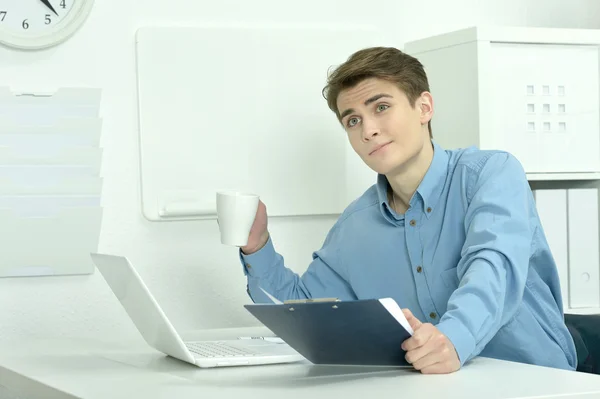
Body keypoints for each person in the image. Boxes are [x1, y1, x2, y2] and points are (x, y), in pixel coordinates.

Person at [236, 46, 578, 374]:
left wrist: (452, 340)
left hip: (537, 380)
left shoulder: (490, 174)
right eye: (353, 121)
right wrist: (257, 246)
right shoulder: (355, 226)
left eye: (381, 107)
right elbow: (303, 312)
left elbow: (493, 269)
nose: (368, 130)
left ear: (424, 108)